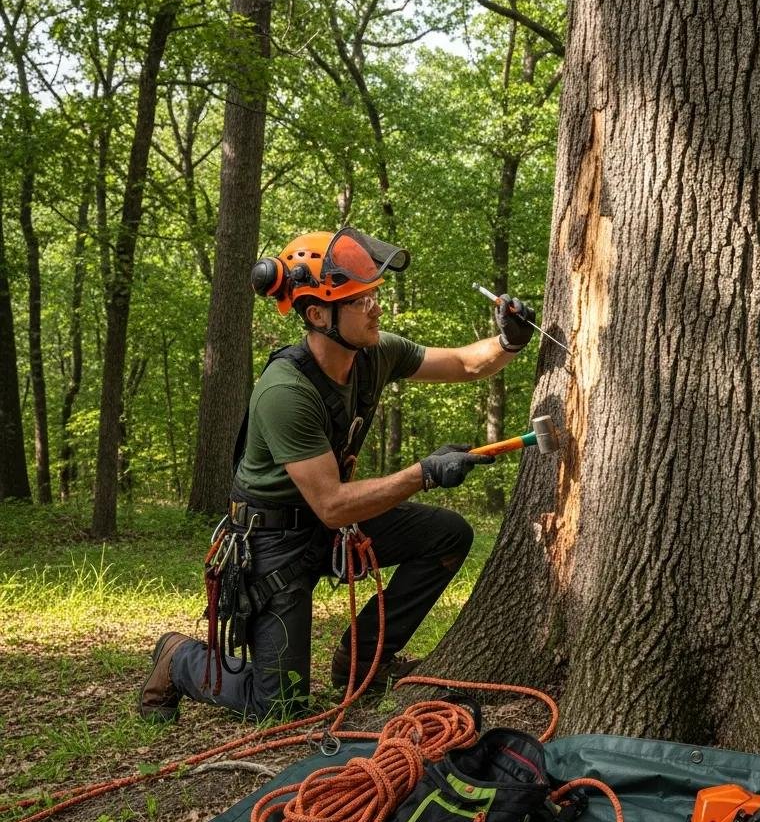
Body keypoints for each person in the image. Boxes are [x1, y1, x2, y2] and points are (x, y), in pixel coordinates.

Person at [139, 227, 536, 723]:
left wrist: (509, 339)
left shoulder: (374, 353)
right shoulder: (285, 390)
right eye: (359, 299)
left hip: (331, 525)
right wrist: (424, 473)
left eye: (372, 294)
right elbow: (331, 502)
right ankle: (179, 659)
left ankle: (362, 660)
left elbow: (464, 364)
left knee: (448, 536)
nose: (374, 307)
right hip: (274, 543)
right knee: (279, 705)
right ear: (318, 314)